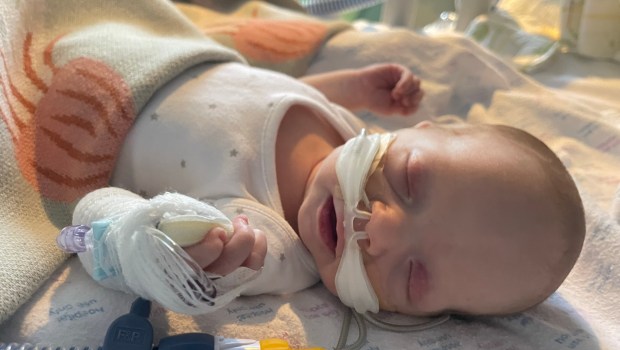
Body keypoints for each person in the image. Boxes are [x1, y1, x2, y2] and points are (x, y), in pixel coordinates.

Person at [92, 60, 585, 317]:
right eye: (410, 179)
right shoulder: (347, 131)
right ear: (423, 129)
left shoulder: (272, 248)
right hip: (168, 48)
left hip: (101, 105)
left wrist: (183, 259)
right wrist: (345, 88)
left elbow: (190, 261)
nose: (380, 231)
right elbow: (260, 94)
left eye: (413, 276)